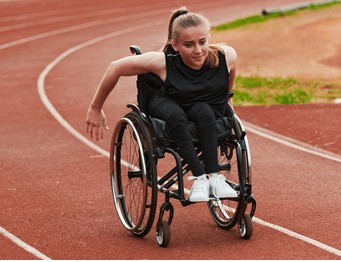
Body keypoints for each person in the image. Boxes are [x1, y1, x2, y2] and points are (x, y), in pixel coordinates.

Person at [86, 7, 238, 202]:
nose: (198, 50)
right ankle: (200, 178)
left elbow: (230, 77)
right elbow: (114, 68)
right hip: (169, 103)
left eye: (202, 42)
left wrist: (228, 99)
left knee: (206, 112)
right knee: (176, 115)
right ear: (174, 45)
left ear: (209, 38)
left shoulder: (227, 56)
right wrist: (95, 107)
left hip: (200, 107)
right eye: (189, 45)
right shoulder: (162, 62)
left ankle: (214, 177)